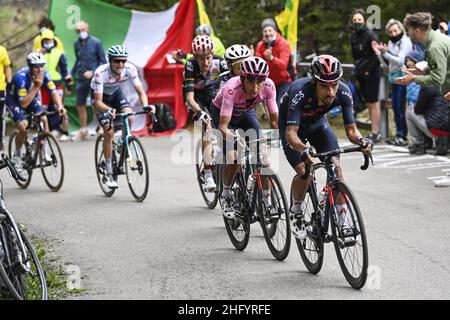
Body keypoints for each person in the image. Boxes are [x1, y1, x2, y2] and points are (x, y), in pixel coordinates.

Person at [278, 55, 372, 240]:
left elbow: (351, 131)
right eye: (324, 86)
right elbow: (291, 133)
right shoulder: (300, 91)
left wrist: (362, 141)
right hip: (292, 129)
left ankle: (343, 223)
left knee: (337, 169)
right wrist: (304, 148)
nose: (330, 91)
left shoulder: (343, 92)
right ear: (314, 82)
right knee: (306, 171)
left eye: (334, 85)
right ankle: (296, 210)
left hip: (317, 124)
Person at [211, 56, 279, 218]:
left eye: (259, 82)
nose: (255, 87)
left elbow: (275, 121)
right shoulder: (231, 88)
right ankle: (226, 193)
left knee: (264, 159)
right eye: (250, 81)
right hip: (224, 116)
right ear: (242, 79)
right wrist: (235, 139)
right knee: (234, 158)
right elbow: (223, 127)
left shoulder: (269, 86)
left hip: (246, 112)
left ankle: (266, 199)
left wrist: (280, 136)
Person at [91, 45, 154, 189]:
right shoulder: (101, 73)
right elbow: (98, 102)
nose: (120, 64)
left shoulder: (130, 69)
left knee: (130, 117)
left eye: (123, 61)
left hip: (115, 93)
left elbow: (141, 92)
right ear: (110, 60)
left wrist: (146, 105)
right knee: (109, 131)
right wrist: (109, 110)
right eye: (117, 61)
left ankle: (123, 143)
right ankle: (108, 172)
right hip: (101, 99)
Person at [183, 35, 229, 192]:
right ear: (195, 57)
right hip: (196, 98)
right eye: (201, 59)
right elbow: (189, 98)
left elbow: (231, 86)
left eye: (208, 57)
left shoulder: (220, 62)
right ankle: (208, 174)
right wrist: (200, 113)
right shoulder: (190, 65)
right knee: (208, 127)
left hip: (212, 93)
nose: (206, 62)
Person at [6, 52, 66, 170]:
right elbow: (23, 104)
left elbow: (53, 91)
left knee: (44, 119)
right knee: (24, 128)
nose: (39, 70)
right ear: (30, 67)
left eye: (41, 66)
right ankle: (17, 155)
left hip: (31, 97)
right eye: (36, 67)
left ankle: (44, 151)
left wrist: (60, 106)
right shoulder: (21, 78)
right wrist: (36, 87)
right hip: (14, 100)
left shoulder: (45, 74)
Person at [397, 13, 450, 133]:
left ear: (416, 30)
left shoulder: (434, 47)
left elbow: (437, 79)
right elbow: (443, 66)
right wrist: (422, 71)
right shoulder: (437, 38)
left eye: (408, 30)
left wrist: (413, 78)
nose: (407, 33)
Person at [372, 19, 413, 146]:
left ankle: (403, 136)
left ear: (401, 30)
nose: (394, 33)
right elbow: (387, 63)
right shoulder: (391, 42)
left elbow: (401, 61)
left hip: (403, 76)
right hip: (393, 77)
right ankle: (398, 135)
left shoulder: (405, 41)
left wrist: (386, 53)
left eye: (396, 30)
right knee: (395, 107)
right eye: (391, 32)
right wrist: (379, 53)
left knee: (401, 107)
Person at [350, 9, 382, 143]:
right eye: (355, 20)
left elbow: (377, 55)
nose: (357, 22)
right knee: (367, 103)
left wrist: (368, 70)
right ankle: (372, 130)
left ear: (364, 20)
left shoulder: (371, 35)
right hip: (360, 73)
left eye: (359, 20)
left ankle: (376, 132)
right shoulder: (353, 36)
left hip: (372, 72)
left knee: (373, 102)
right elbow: (355, 55)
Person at [71, 20, 106, 140]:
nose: (81, 32)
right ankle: (84, 129)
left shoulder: (96, 42)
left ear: (87, 29)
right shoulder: (76, 44)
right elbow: (77, 60)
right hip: (81, 78)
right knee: (80, 105)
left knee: (96, 104)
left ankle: (102, 126)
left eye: (82, 29)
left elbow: (103, 61)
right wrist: (71, 74)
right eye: (78, 30)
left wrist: (93, 71)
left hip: (94, 79)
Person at [39, 29, 72, 142]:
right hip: (43, 85)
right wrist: (39, 54)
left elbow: (64, 71)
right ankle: (43, 132)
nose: (47, 42)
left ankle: (66, 132)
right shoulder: (38, 53)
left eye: (49, 40)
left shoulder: (59, 53)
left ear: (53, 40)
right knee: (42, 109)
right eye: (45, 40)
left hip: (56, 84)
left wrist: (68, 86)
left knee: (60, 108)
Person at [255, 18, 292, 106]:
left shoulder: (284, 44)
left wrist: (271, 58)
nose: (268, 33)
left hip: (284, 81)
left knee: (280, 106)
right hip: (268, 81)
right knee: (270, 108)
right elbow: (258, 65)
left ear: (275, 31)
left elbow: (283, 65)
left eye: (270, 30)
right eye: (265, 31)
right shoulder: (260, 45)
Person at [0, 45, 12, 151]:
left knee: (1, 116)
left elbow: (7, 67)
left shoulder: (2, 50)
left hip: (1, 88)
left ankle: (1, 141)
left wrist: (9, 82)